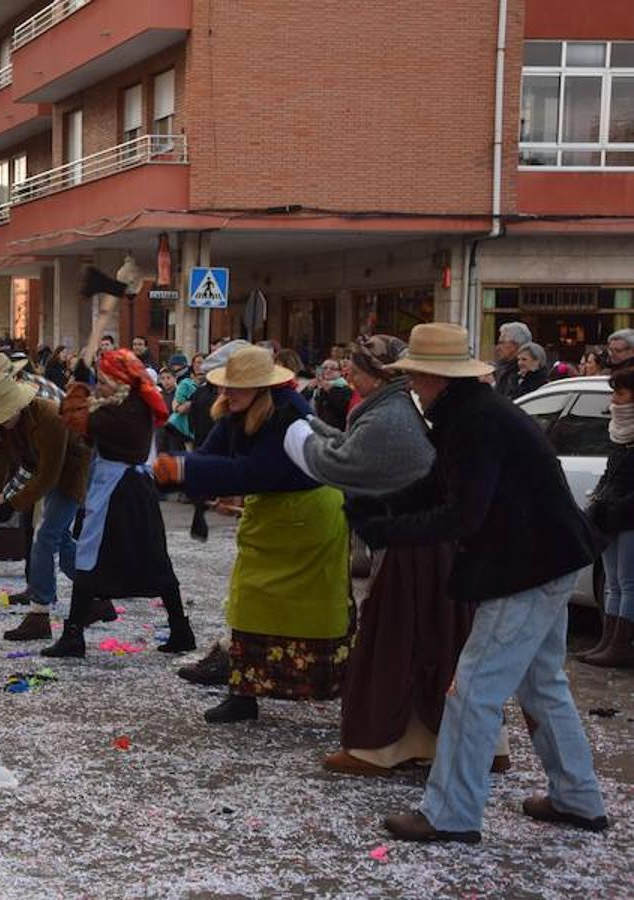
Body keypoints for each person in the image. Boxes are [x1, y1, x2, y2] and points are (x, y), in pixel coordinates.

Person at [348, 323, 607, 843]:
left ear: (435, 377)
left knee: (472, 692)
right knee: (543, 685)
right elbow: (440, 485)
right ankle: (577, 797)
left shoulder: (474, 422)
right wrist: (382, 506)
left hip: (524, 568)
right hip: (549, 559)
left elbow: (462, 515)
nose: (411, 385)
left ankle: (451, 813)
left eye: (415, 376)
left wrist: (387, 530)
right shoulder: (471, 413)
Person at [283, 334, 510, 776]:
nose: (349, 376)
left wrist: (298, 436)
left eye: (356, 369)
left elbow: (344, 464)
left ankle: (385, 748)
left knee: (397, 641)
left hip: (424, 544)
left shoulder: (408, 415)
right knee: (443, 639)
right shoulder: (423, 409)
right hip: (429, 539)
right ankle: (474, 742)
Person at [155, 347, 352, 723]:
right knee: (248, 601)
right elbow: (212, 454)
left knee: (310, 608)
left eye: (237, 387)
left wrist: (183, 470)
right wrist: (173, 473)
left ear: (263, 387)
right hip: (273, 515)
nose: (227, 393)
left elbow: (254, 472)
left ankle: (322, 685)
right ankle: (243, 694)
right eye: (226, 386)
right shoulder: (235, 411)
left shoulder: (290, 415)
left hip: (310, 518)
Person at [41, 349, 196, 657]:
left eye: (104, 380)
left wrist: (78, 387)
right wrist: (84, 388)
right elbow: (86, 427)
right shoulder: (126, 404)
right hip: (126, 489)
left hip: (121, 492)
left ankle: (75, 635)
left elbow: (74, 418)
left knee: (94, 554)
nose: (100, 386)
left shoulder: (128, 409)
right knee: (148, 558)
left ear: (120, 381)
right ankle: (179, 629)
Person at [0, 360, 91, 641]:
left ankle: (39, 614)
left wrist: (11, 506)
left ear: (16, 405)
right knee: (59, 538)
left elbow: (49, 475)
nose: (0, 421)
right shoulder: (4, 425)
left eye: (3, 415)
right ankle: (96, 592)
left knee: (45, 536)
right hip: (41, 470)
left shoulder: (50, 417)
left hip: (72, 473)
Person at [581, 365, 634, 668]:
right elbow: (612, 472)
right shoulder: (619, 433)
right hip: (613, 516)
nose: (614, 400)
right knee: (613, 583)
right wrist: (600, 499)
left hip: (627, 518)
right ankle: (608, 640)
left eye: (620, 393)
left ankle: (620, 644)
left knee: (627, 582)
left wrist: (614, 506)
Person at [305, 359, 353, 429]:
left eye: (332, 368)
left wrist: (330, 390)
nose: (328, 370)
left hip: (333, 431)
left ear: (340, 372)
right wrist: (308, 389)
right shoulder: (315, 385)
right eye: (324, 368)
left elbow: (344, 410)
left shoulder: (345, 388)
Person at [493, 321, 531, 397]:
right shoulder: (504, 368)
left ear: (516, 345)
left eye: (501, 343)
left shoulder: (525, 373)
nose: (497, 348)